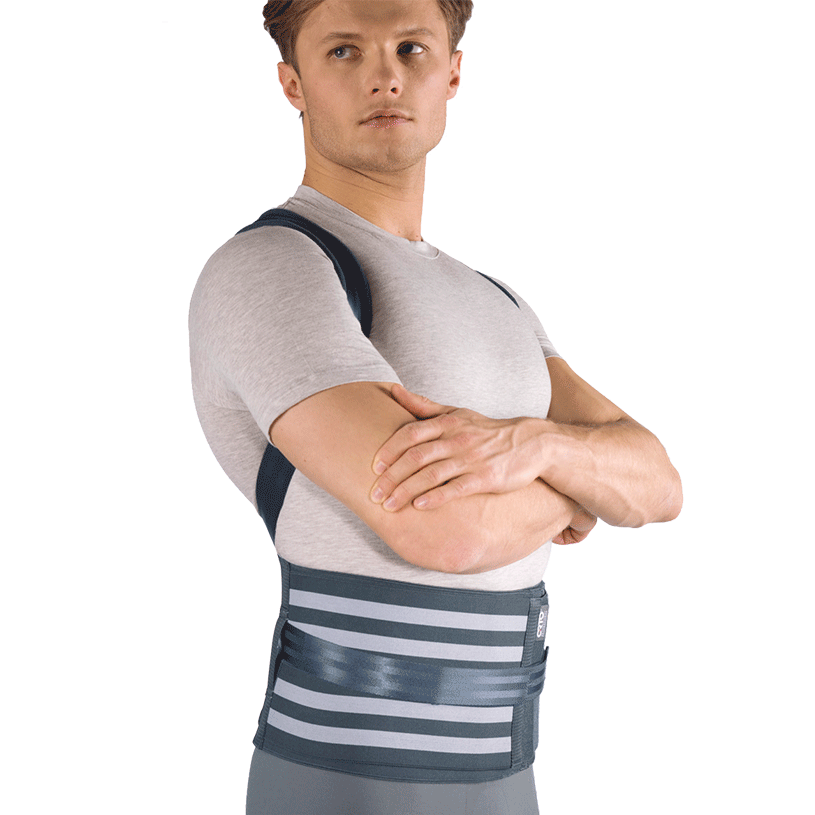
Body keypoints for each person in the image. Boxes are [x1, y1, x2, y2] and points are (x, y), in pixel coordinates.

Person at [187, 1, 683, 813]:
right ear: (292, 83)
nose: (384, 75)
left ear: (452, 72)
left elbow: (658, 483)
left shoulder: (497, 300)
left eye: (411, 48)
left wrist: (532, 447)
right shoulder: (273, 266)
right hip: (346, 778)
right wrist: (576, 487)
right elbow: (446, 532)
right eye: (343, 50)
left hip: (504, 775)